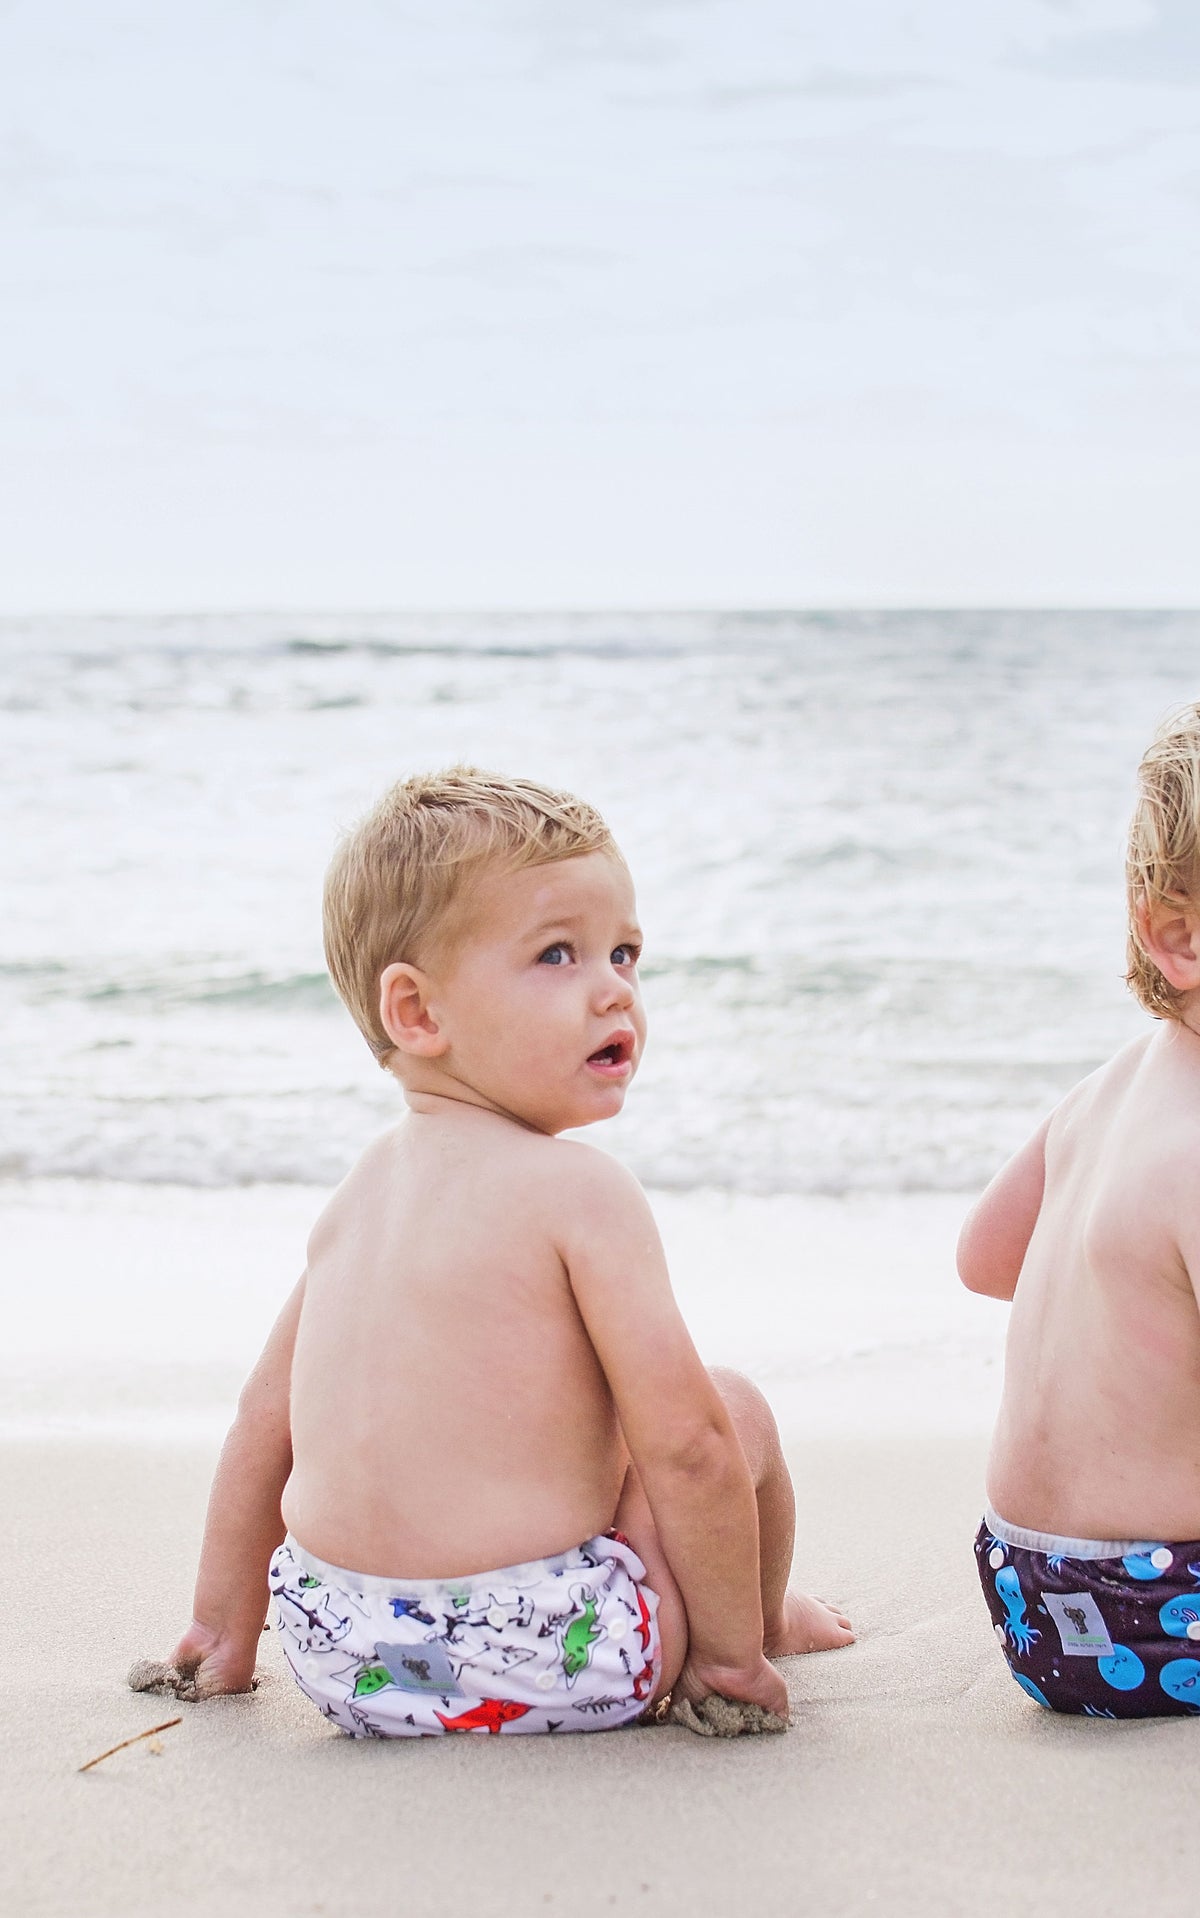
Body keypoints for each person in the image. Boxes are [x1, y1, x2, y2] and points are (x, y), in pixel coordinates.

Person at [148, 768, 852, 1737]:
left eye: (625, 952)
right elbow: (688, 1447)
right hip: (547, 1661)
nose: (613, 989)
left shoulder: (357, 1197)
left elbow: (262, 1425)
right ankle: (753, 1637)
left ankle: (236, 1641)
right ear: (418, 1013)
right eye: (558, 954)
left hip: (345, 1657)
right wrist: (722, 1656)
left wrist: (221, 1629)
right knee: (731, 1406)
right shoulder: (582, 1192)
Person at [958, 704, 1200, 1717]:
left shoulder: (1111, 1087)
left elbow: (984, 1258)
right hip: (1161, 1611)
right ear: (1177, 936)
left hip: (1027, 1595)